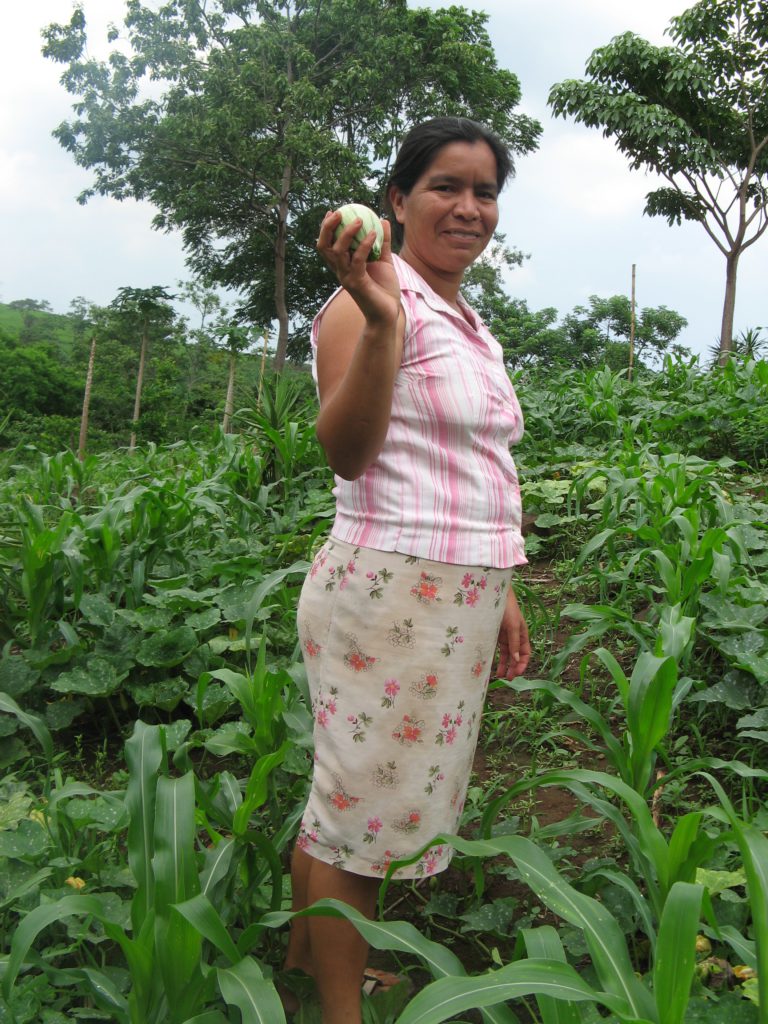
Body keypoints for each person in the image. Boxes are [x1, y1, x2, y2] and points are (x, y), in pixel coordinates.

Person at [282, 117, 531, 1024]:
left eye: (485, 192)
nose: (468, 208)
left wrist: (504, 590)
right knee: (360, 820)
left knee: (352, 798)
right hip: (393, 592)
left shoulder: (466, 319)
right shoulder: (368, 304)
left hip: (455, 591)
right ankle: (341, 1011)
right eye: (445, 187)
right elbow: (347, 452)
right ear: (397, 202)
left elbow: (479, 471)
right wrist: (383, 316)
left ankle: (309, 955)